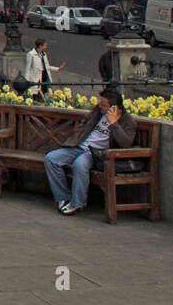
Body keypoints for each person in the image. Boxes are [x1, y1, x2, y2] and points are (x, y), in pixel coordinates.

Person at [44, 85, 135, 215]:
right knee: (51, 159)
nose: (100, 107)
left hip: (96, 153)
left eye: (103, 105)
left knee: (79, 165)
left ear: (114, 108)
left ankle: (77, 203)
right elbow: (85, 120)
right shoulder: (98, 111)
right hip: (79, 146)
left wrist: (113, 123)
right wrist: (81, 131)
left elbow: (126, 144)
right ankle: (63, 197)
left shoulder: (128, 121)